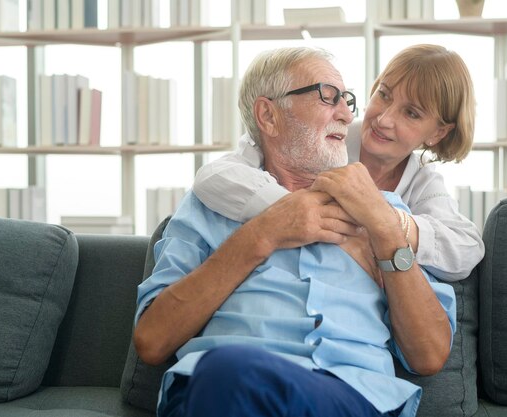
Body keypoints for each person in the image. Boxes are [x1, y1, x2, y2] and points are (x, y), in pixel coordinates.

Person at [134, 46, 456, 417]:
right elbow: (152, 340)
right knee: (226, 372)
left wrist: (385, 231)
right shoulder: (211, 204)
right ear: (268, 116)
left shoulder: (386, 214)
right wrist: (264, 233)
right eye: (327, 97)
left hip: (348, 396)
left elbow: (429, 355)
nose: (348, 114)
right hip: (224, 386)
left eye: (347, 100)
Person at [193, 43, 484, 284]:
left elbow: (466, 249)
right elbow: (214, 176)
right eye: (383, 95)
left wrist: (383, 220)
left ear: (437, 133)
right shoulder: (325, 137)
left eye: (411, 113)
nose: (383, 119)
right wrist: (302, 214)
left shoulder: (422, 180)